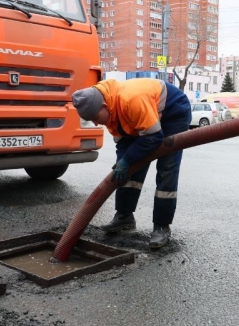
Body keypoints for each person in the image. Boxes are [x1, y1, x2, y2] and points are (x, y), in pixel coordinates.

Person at [72, 78, 192, 249]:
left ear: (104, 107)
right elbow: (123, 144)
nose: (97, 123)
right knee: (129, 167)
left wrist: (127, 159)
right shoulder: (110, 111)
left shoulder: (130, 100)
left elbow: (153, 137)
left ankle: (161, 226)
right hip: (145, 116)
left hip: (173, 112)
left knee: (167, 169)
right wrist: (123, 162)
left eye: (96, 118)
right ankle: (124, 216)